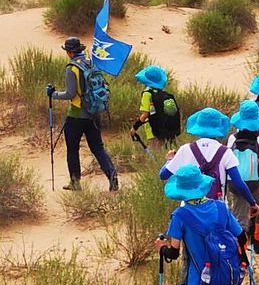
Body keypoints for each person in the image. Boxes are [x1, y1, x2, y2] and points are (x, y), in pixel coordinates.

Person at [45, 36, 118, 192]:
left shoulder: (72, 68)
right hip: (94, 113)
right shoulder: (90, 63)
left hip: (77, 115)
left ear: (70, 52)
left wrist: (53, 94)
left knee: (72, 149)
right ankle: (112, 177)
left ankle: (75, 182)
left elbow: (70, 94)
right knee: (98, 148)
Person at [159, 108, 255, 210]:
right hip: (217, 209)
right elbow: (239, 184)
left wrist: (170, 160)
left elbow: (163, 175)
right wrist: (252, 203)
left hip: (189, 209)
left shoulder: (185, 149)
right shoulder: (226, 152)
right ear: (218, 128)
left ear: (198, 127)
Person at [132, 64, 181, 156]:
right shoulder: (162, 92)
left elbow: (145, 114)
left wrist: (135, 127)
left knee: (154, 154)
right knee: (168, 154)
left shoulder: (147, 94)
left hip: (153, 130)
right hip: (166, 128)